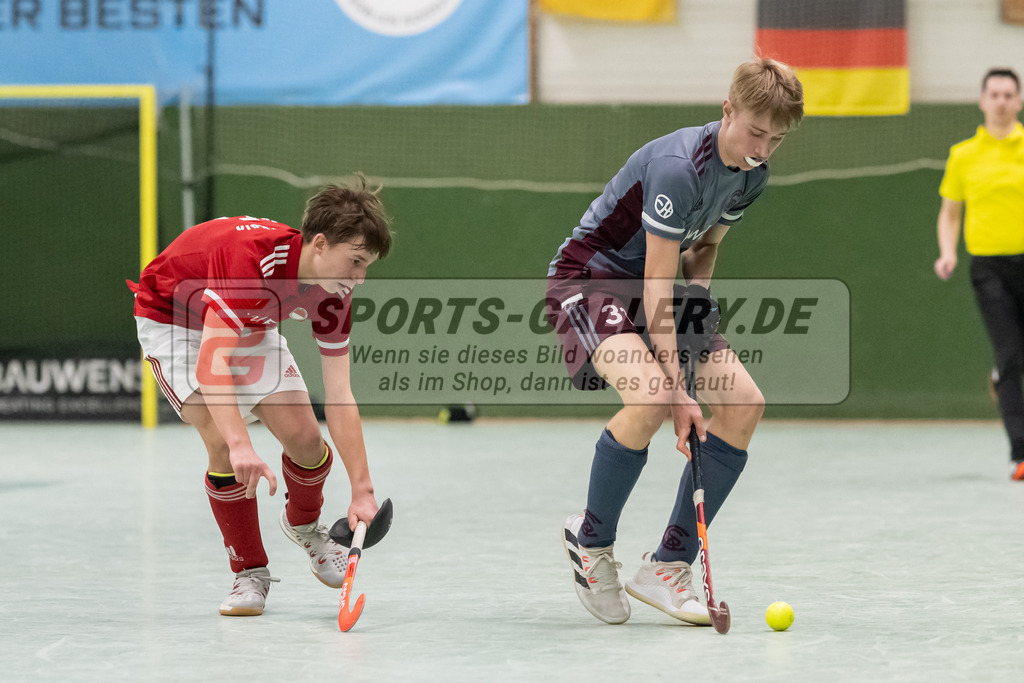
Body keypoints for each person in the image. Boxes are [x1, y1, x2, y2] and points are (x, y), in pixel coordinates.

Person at [547, 58, 804, 625]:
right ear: (727, 110)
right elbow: (655, 283)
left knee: (743, 403)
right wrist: (681, 390)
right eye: (756, 132)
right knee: (654, 397)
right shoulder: (678, 168)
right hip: (591, 281)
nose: (763, 148)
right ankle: (591, 542)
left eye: (776, 139)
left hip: (655, 290)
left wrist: (698, 307)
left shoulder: (752, 175)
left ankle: (667, 565)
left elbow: (704, 247)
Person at [128, 176, 392, 615]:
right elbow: (211, 363)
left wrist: (362, 490)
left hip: (247, 321)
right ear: (320, 244)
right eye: (356, 261)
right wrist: (240, 444)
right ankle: (249, 573)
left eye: (367, 266)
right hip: (174, 321)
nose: (359, 279)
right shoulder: (250, 260)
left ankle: (304, 525)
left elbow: (340, 393)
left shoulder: (333, 291)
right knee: (220, 438)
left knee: (306, 440)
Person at [934, 67, 1024, 482]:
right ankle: (1021, 453)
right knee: (1010, 356)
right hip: (989, 268)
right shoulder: (964, 155)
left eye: (1009, 94)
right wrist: (947, 252)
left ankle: (1002, 374)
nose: (1002, 101)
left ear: (1018, 101)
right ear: (983, 100)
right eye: (995, 94)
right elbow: (950, 213)